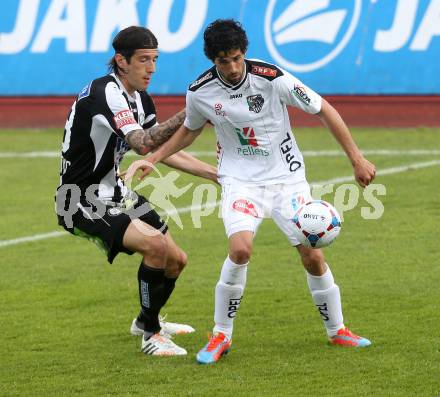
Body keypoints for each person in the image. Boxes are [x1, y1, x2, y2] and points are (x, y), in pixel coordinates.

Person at [126, 19, 376, 364]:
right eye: (223, 61)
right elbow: (189, 131)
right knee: (240, 250)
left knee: (313, 255)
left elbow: (323, 109)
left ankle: (338, 330)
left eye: (236, 58)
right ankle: (220, 336)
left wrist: (357, 159)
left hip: (287, 179)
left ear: (244, 53)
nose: (231, 68)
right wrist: (151, 158)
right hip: (240, 181)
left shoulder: (272, 78)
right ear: (212, 60)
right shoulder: (200, 91)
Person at [55, 26, 217, 356]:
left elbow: (162, 147)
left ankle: (146, 319)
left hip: (115, 192)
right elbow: (143, 143)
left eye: (155, 59)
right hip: (80, 198)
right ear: (121, 61)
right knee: (156, 247)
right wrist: (194, 109)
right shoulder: (106, 93)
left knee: (177, 260)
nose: (152, 68)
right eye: (144, 60)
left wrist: (214, 174)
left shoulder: (140, 98)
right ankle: (151, 336)